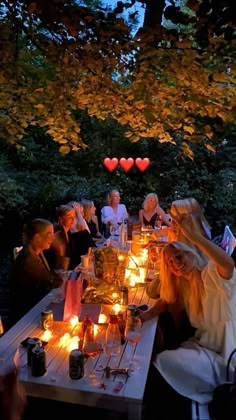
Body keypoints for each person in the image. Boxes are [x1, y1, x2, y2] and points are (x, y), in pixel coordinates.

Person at [140, 209, 236, 412]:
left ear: (190, 252)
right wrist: (146, 315)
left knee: (163, 361)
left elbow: (228, 265)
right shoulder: (184, 284)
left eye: (179, 255)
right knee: (154, 356)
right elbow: (165, 299)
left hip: (223, 356)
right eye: (170, 262)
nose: (176, 263)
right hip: (200, 346)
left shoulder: (209, 276)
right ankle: (150, 402)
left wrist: (196, 238)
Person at [9, 219, 63, 326]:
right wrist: (60, 250)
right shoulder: (28, 260)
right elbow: (53, 282)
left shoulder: (37, 253)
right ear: (37, 238)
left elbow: (53, 277)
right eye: (49, 234)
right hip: (25, 319)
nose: (53, 238)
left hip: (36, 309)